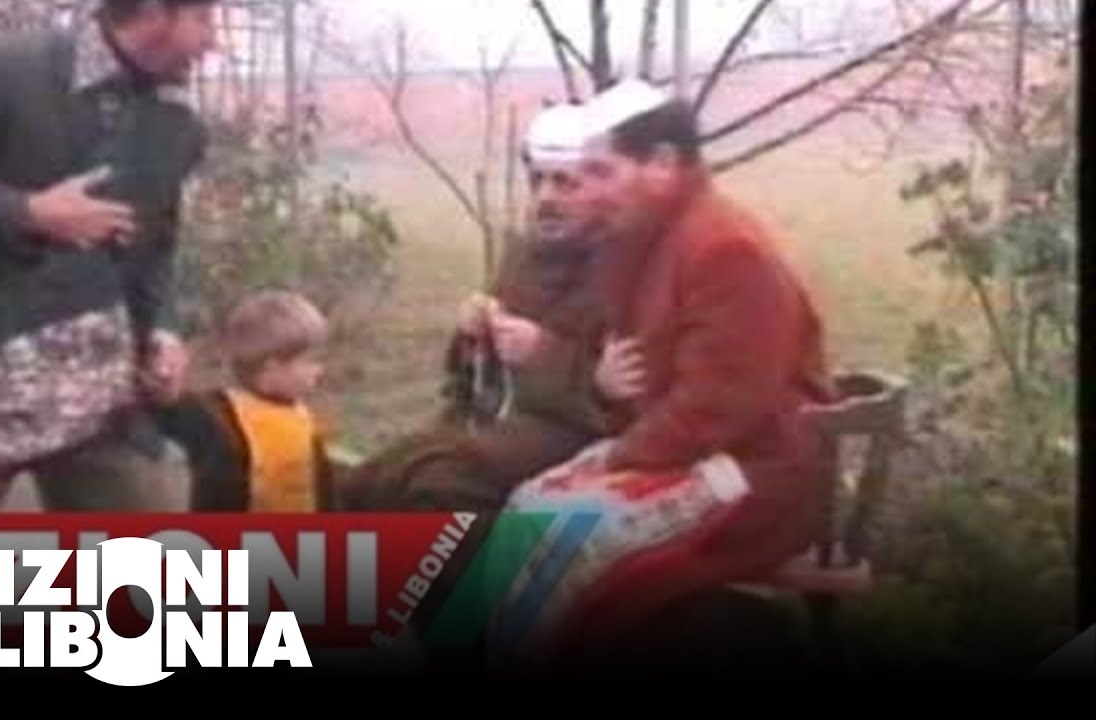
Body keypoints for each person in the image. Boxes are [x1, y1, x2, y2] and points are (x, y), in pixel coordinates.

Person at [499, 80, 838, 668]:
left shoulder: (725, 247)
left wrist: (621, 454)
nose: (591, 192)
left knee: (566, 532)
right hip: (690, 452)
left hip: (756, 473)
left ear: (662, 163)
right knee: (527, 502)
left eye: (603, 172)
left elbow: (720, 407)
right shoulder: (653, 237)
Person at [0, 0, 220, 511]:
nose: (213, 42)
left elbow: (155, 248)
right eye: (203, 19)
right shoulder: (1, 70)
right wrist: (28, 213)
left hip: (100, 400)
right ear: (153, 13)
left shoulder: (177, 123)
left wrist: (163, 331)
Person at [336, 102, 616, 513]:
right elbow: (468, 377)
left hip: (566, 429)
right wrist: (471, 333)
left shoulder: (623, 268)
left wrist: (542, 351)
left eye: (564, 184)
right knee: (370, 480)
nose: (546, 198)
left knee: (440, 485)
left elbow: (619, 399)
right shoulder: (526, 255)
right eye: (538, 181)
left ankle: (450, 557)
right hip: (493, 414)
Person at [153, 290, 336, 512]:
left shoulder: (302, 422)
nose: (319, 370)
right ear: (272, 367)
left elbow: (323, 494)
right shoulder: (213, 417)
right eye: (310, 361)